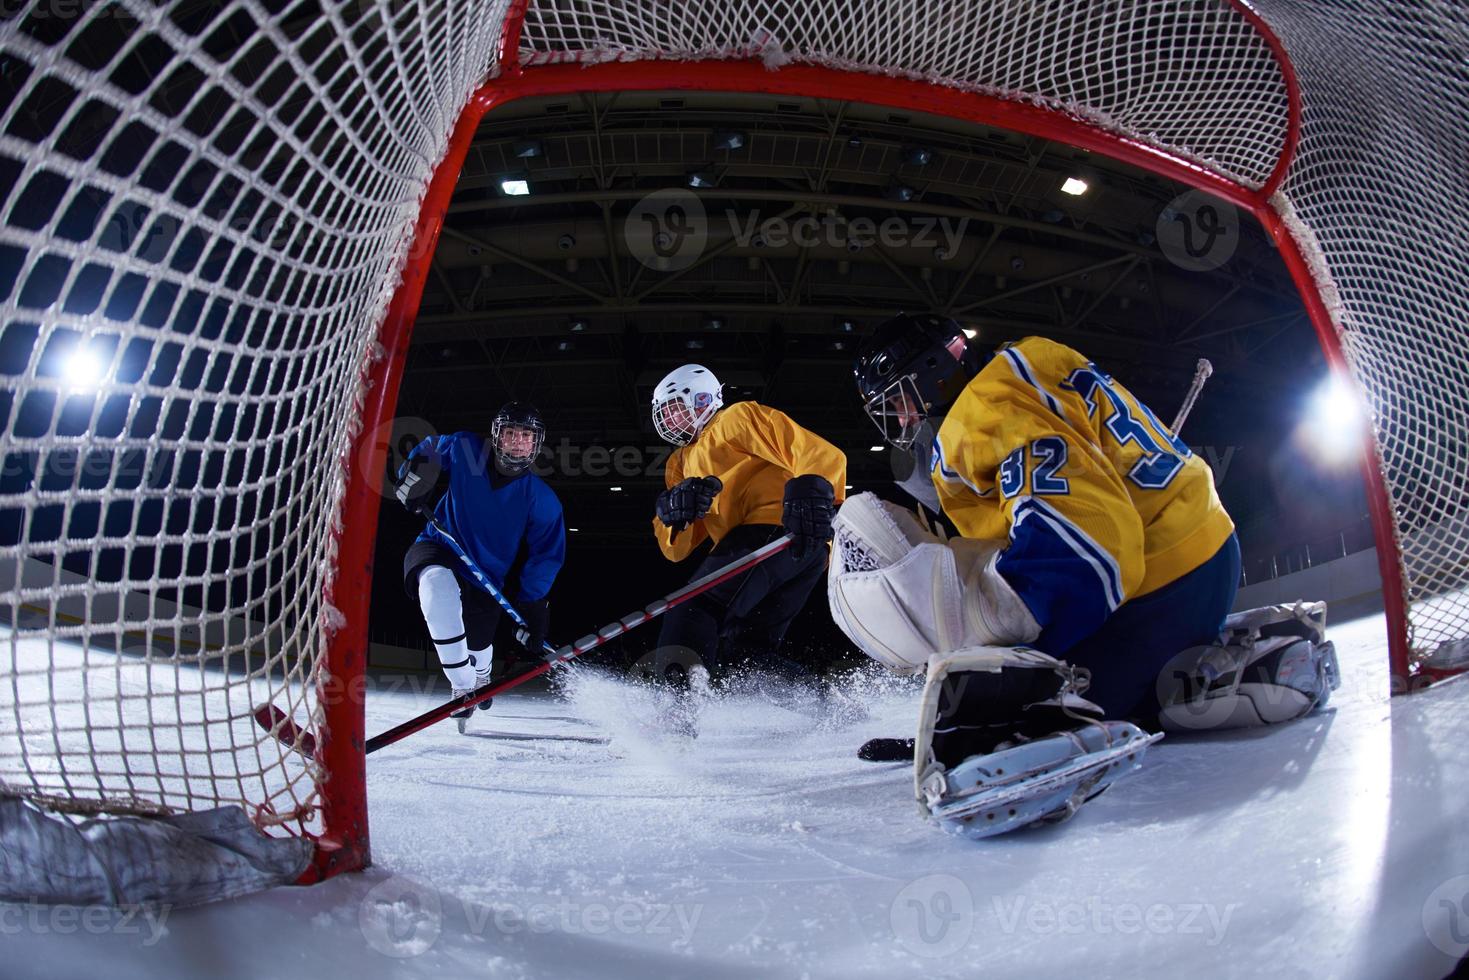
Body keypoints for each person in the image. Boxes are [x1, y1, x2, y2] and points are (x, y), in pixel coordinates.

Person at [829, 314, 1336, 837]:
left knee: (1030, 712)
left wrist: (1006, 654)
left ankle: (1038, 731)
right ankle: (1223, 669)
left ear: (935, 371)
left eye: (901, 397)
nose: (903, 417)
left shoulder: (985, 410)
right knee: (1120, 694)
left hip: (1156, 589)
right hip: (1196, 556)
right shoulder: (1026, 362)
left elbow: (1092, 546)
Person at [647, 363, 847, 712]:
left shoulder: (735, 419)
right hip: (792, 554)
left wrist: (811, 490)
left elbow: (818, 453)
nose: (672, 420)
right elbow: (675, 550)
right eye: (665, 413)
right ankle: (831, 708)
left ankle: (673, 712)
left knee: (693, 606)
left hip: (776, 532)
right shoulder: (679, 464)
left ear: (703, 399)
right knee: (742, 653)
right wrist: (673, 513)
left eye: (677, 408)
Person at [395, 402, 566, 732]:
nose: (518, 441)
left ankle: (481, 673)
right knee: (434, 585)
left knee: (479, 646)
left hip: (485, 576)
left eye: (526, 436)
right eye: (511, 433)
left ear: (536, 443)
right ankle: (462, 686)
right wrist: (415, 474)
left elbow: (546, 554)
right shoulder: (465, 449)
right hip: (439, 544)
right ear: (497, 436)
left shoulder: (541, 499)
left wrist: (533, 605)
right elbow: (430, 449)